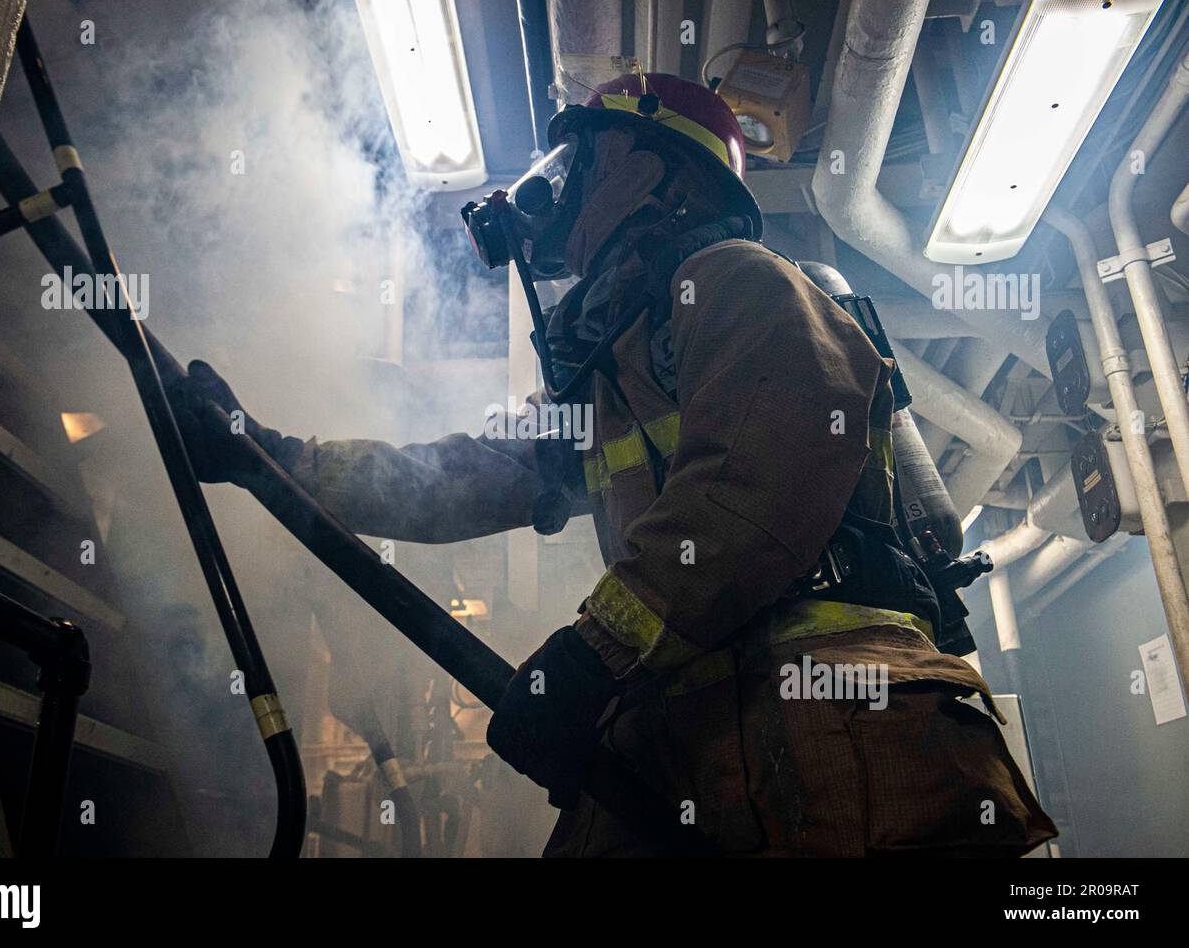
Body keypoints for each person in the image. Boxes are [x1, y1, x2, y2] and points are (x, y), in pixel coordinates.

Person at [173, 72, 1056, 857]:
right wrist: (270, 455)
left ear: (655, 166)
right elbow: (449, 480)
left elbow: (750, 484)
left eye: (582, 161)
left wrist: (592, 656)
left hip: (844, 725)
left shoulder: (739, 280)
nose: (559, 194)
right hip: (700, 734)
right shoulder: (606, 376)